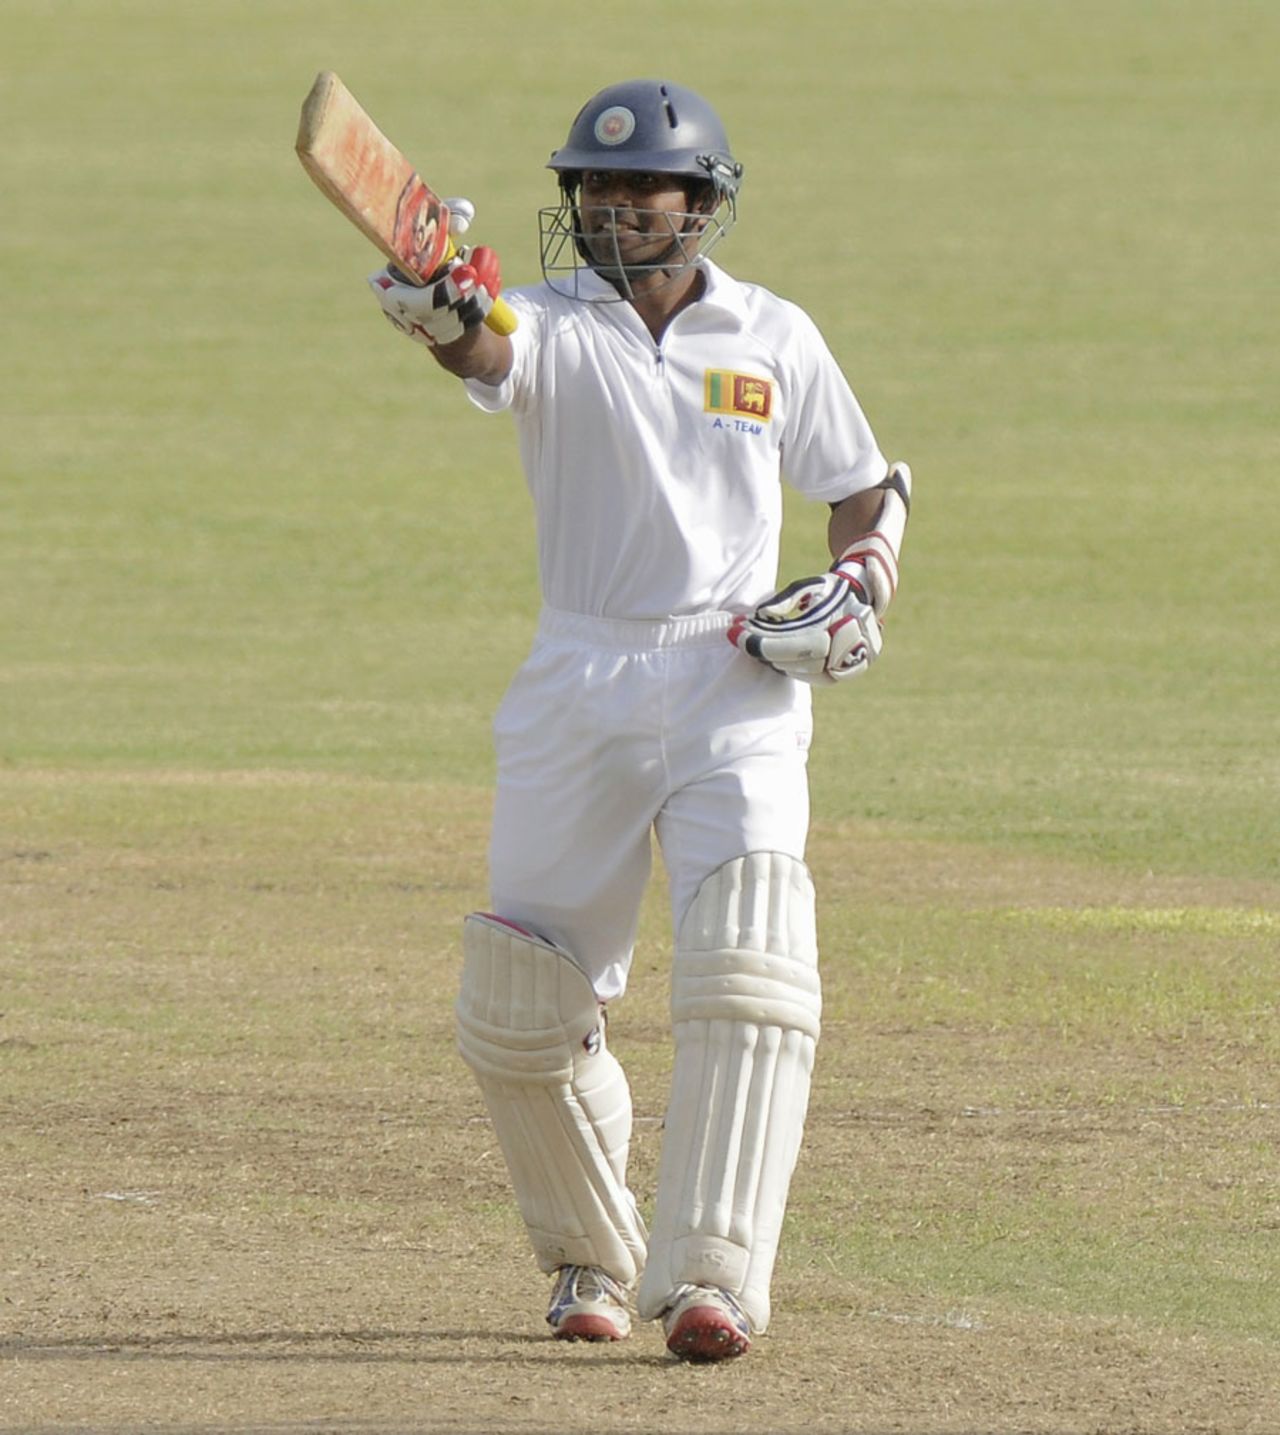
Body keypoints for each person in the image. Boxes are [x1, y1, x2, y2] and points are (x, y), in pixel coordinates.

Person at [368, 79, 911, 1364]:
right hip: (583, 675)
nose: (610, 209)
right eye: (592, 190)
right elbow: (484, 348)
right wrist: (442, 310)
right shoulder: (549, 323)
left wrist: (860, 578)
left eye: (637, 190)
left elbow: (859, 487)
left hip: (737, 679)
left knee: (751, 964)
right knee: (520, 1005)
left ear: (701, 203)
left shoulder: (770, 334)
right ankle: (587, 1259)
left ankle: (713, 1276)